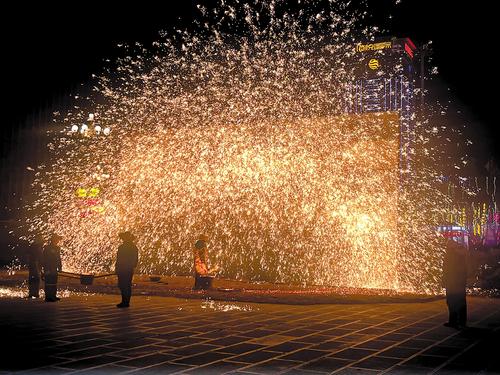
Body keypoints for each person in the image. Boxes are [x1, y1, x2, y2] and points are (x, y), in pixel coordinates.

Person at [442, 236, 467, 329]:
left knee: (452, 301)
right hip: (458, 282)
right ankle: (461, 321)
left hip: (453, 283)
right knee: (459, 302)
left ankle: (454, 321)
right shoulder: (459, 255)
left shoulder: (451, 255)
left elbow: (448, 269)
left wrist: (446, 280)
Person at [115, 231, 139, 308]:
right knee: (124, 285)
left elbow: (133, 259)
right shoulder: (130, 247)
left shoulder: (126, 247)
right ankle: (125, 301)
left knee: (124, 285)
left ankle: (125, 302)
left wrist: (119, 267)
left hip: (125, 269)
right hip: (126, 268)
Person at [42, 234, 63, 302]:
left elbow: (58, 258)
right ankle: (48, 297)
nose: (58, 241)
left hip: (54, 267)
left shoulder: (57, 248)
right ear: (53, 240)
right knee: (48, 282)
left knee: (54, 282)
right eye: (57, 239)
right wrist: (46, 269)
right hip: (48, 267)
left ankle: (53, 296)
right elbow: (45, 259)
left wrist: (60, 267)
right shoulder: (47, 248)